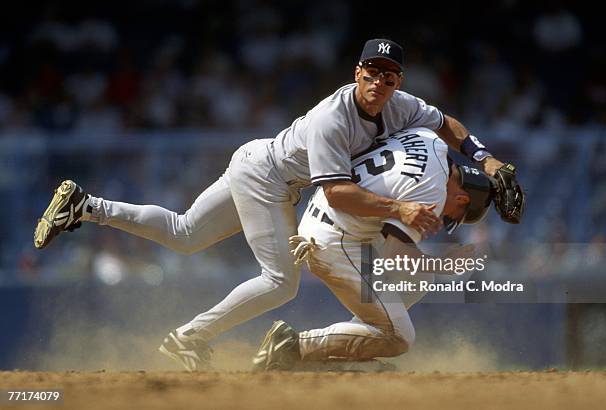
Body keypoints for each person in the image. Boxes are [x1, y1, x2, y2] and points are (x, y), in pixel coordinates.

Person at [34, 39, 505, 371]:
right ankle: (188, 338)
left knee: (182, 234)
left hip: (258, 159)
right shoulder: (331, 118)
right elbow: (338, 193)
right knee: (281, 283)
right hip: (269, 177)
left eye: (389, 74)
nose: (379, 82)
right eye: (371, 72)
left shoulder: (400, 104)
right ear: (356, 73)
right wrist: (399, 209)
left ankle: (85, 205)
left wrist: (485, 160)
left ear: (397, 80)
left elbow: (446, 124)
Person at [252, 127, 496, 371]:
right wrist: (443, 265)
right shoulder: (434, 191)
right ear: (462, 200)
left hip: (327, 216)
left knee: (418, 276)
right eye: (454, 216)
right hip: (335, 239)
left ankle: (348, 352)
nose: (445, 218)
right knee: (398, 337)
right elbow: (395, 257)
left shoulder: (431, 142)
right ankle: (292, 345)